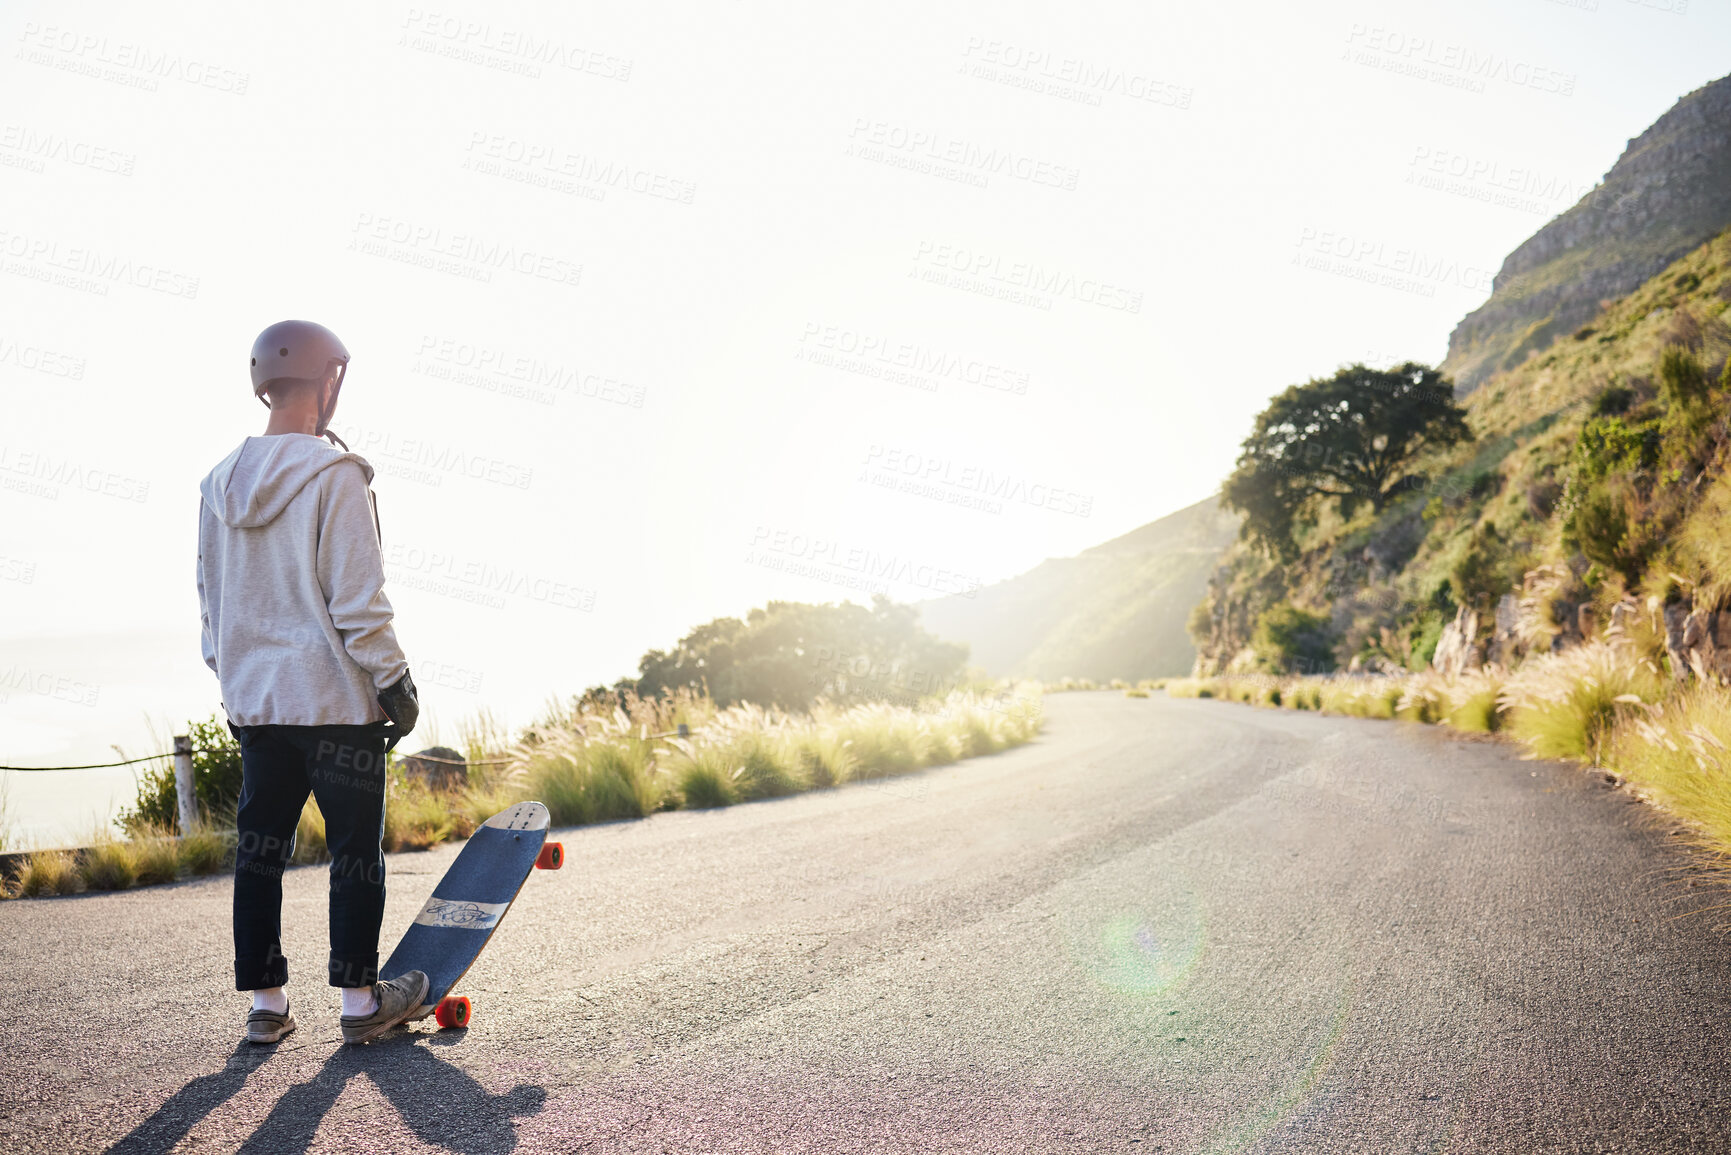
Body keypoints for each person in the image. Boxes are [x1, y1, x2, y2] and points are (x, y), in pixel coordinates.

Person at [197, 319, 428, 1045]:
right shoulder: (338, 477)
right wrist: (397, 684)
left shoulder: (215, 485)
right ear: (327, 384)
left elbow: (213, 607)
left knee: (259, 852)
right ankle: (361, 1003)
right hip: (335, 703)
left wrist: (235, 686)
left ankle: (267, 1002)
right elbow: (359, 604)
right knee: (355, 853)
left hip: (260, 707)